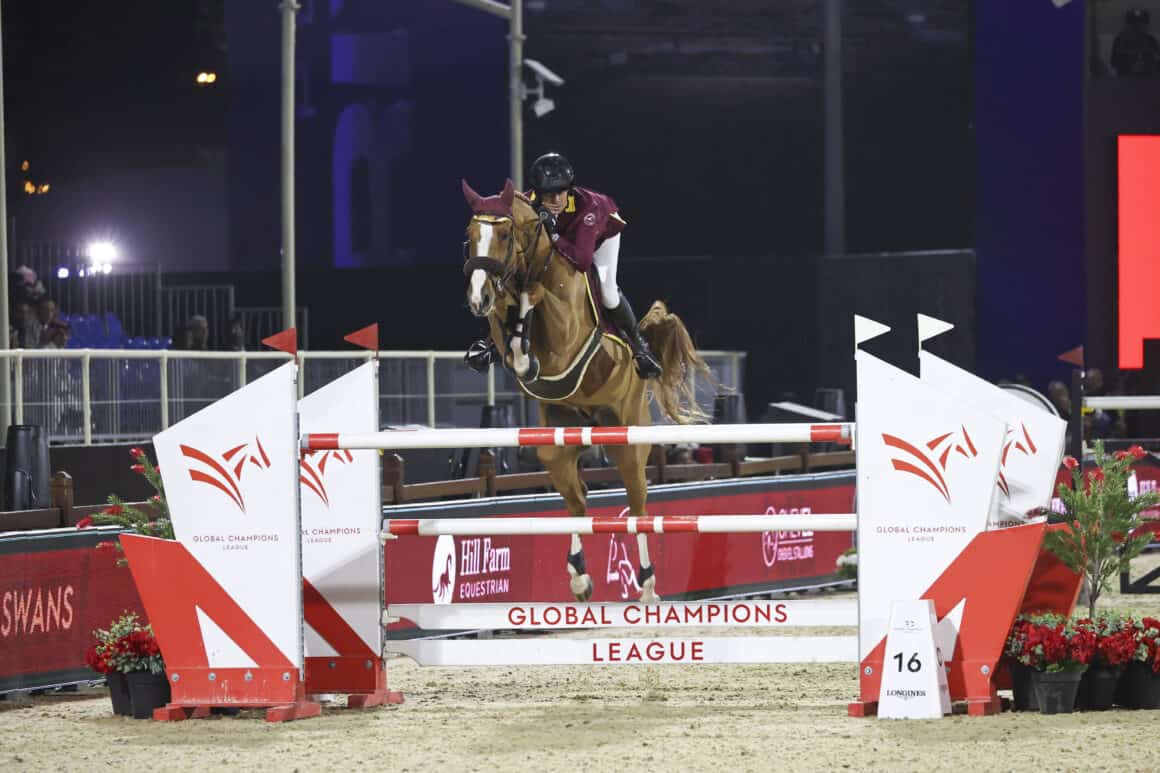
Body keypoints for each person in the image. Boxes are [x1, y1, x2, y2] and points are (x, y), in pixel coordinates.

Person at [465, 153, 662, 380]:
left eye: (561, 191)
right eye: (548, 194)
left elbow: (582, 259)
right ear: (537, 192)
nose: (556, 199)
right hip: (563, 241)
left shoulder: (590, 206)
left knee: (607, 290)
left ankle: (639, 347)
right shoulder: (529, 202)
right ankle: (493, 344)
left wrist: (554, 234)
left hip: (598, 239)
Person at [1111, 8, 1159, 77]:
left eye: (1142, 23)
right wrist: (1129, 64)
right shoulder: (1120, 40)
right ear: (1128, 25)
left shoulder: (1151, 40)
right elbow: (1114, 62)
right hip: (1126, 81)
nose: (1138, 26)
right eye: (1134, 24)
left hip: (1148, 81)